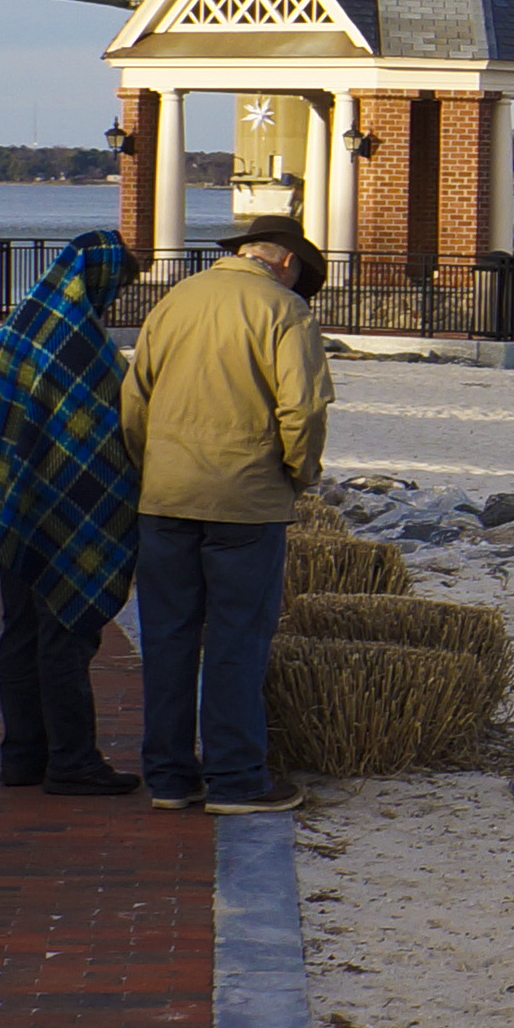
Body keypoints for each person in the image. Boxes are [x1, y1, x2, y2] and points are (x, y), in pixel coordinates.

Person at [125, 222, 334, 814]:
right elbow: (303, 408)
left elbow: (135, 399)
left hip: (165, 497)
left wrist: (152, 469)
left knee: (167, 638)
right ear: (287, 262)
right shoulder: (284, 310)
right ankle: (237, 778)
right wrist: (299, 474)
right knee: (237, 639)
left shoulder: (175, 300)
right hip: (246, 500)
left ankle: (167, 775)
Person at [0, 232, 142, 794]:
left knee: (20, 629)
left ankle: (23, 756)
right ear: (97, 278)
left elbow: (6, 417)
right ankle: (72, 761)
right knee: (67, 629)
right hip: (69, 510)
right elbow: (111, 426)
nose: (115, 298)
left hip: (18, 502)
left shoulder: (23, 325)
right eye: (116, 286)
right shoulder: (80, 340)